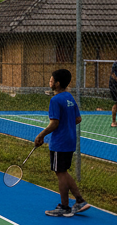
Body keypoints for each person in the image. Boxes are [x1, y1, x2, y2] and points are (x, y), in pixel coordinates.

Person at [35, 67, 90, 217]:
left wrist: (41, 135)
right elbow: (78, 119)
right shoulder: (69, 97)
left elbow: (54, 123)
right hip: (70, 140)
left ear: (57, 83)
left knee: (60, 173)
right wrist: (67, 125)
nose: (49, 82)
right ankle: (77, 202)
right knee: (63, 171)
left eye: (51, 80)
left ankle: (67, 206)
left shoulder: (55, 100)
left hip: (59, 142)